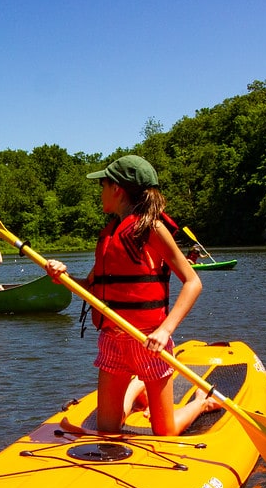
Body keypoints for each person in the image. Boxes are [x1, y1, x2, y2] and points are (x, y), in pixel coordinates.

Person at [44, 154, 204, 436]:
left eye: (102, 185)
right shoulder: (110, 235)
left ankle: (203, 404)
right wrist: (63, 277)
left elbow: (192, 282)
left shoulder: (150, 228)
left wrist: (166, 331)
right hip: (112, 341)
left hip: (148, 341)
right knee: (107, 430)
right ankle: (136, 387)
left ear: (116, 188)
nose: (100, 192)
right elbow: (92, 288)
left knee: (164, 432)